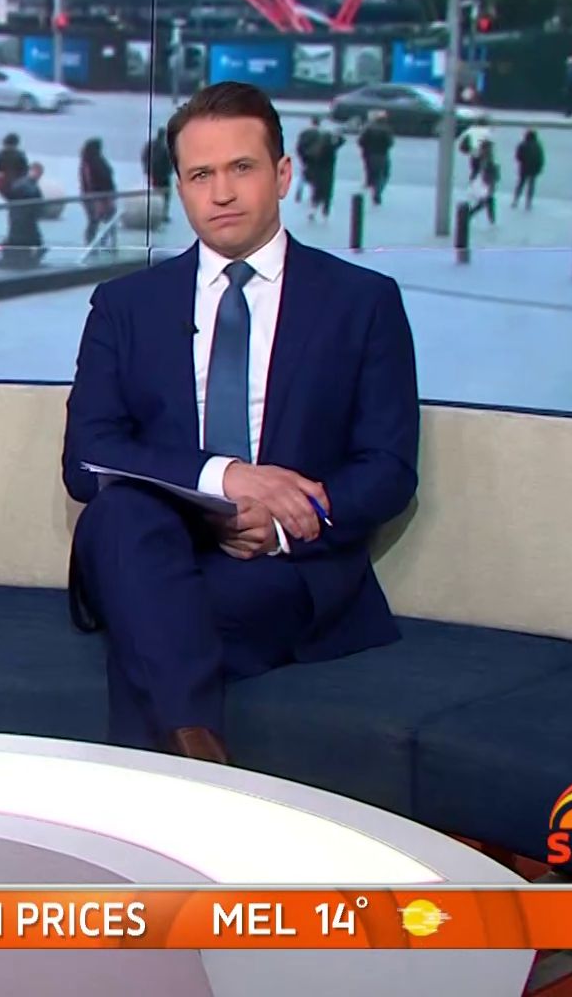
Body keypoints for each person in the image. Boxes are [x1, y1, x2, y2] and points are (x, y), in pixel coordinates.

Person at [61, 81, 420, 763]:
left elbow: (388, 468)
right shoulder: (125, 306)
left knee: (148, 619)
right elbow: (87, 458)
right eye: (201, 175)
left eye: (241, 168)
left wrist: (281, 520)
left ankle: (179, 764)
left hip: (280, 568)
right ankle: (201, 761)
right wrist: (228, 480)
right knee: (119, 515)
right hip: (153, 546)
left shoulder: (361, 301)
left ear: (282, 175)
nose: (221, 193)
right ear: (180, 188)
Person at [2, 161, 46, 266]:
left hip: (21, 219)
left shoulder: (23, 184)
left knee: (21, 242)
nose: (39, 176)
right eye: (38, 173)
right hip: (24, 220)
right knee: (31, 242)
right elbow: (32, 197)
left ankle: (16, 260)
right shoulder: (27, 185)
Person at [79, 137, 118, 245]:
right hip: (95, 197)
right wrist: (98, 199)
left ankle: (101, 241)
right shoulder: (90, 163)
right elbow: (91, 181)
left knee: (107, 220)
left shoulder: (96, 161)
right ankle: (92, 242)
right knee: (95, 220)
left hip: (102, 196)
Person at [357, 110, 394, 206]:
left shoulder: (368, 127)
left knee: (374, 173)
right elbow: (390, 143)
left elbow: (361, 141)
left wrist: (366, 149)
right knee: (383, 175)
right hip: (382, 154)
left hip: (369, 154)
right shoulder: (386, 129)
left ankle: (370, 183)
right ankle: (377, 193)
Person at [141, 127, 173, 223]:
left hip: (152, 174)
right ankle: (162, 215)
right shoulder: (164, 148)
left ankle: (152, 213)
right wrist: (169, 171)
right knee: (165, 196)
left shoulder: (150, 145)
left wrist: (146, 169)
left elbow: (144, 157)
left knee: (153, 194)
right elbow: (169, 161)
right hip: (163, 176)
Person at [467, 139, 501, 226]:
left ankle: (491, 219)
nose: (491, 149)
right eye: (489, 147)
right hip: (485, 181)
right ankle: (470, 214)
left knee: (488, 200)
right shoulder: (483, 157)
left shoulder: (485, 157)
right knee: (486, 200)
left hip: (487, 181)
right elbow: (483, 169)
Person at [513, 129, 544, 209]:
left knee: (520, 185)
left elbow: (518, 156)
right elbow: (540, 159)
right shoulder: (537, 146)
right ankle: (528, 203)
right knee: (531, 186)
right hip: (533, 169)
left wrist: (522, 162)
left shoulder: (523, 145)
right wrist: (539, 168)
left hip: (524, 168)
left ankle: (516, 200)